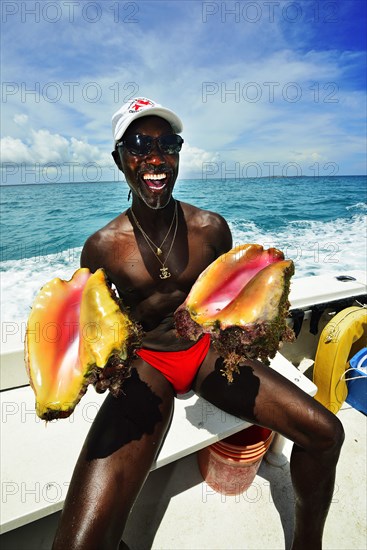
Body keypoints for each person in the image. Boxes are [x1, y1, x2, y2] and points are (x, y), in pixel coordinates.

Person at [53, 97, 344, 550]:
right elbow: (93, 328)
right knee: (78, 543)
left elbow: (232, 303)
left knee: (327, 434)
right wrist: (96, 367)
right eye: (139, 145)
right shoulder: (102, 248)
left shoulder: (211, 228)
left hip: (208, 356)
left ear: (178, 154)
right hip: (147, 367)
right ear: (119, 160)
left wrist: (253, 330)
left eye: (167, 144)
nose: (155, 157)